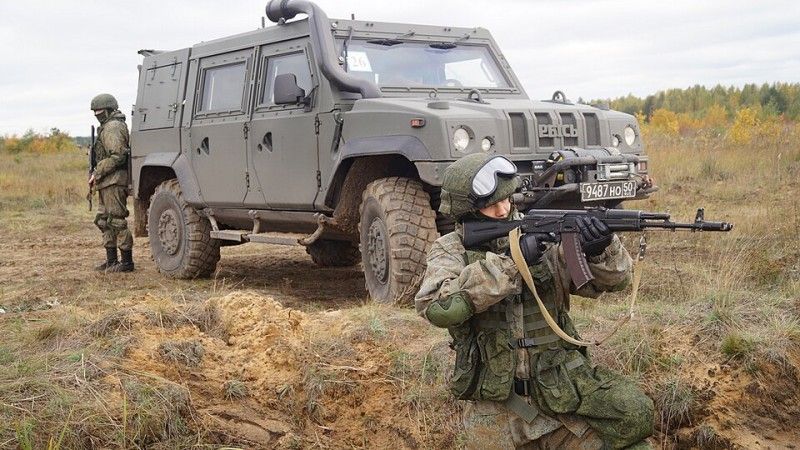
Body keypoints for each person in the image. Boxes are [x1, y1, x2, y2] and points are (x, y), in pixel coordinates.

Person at [415, 153, 653, 449]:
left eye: (506, 199)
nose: (503, 209)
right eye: (490, 204)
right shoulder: (450, 250)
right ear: (466, 209)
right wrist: (513, 262)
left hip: (558, 398)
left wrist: (599, 250)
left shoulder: (540, 232)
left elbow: (615, 282)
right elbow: (439, 308)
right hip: (494, 413)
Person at [89, 93, 134, 272]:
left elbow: (118, 156)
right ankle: (111, 260)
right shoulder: (107, 126)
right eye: (95, 112)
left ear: (108, 110)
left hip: (114, 181)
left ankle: (126, 263)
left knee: (116, 221)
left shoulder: (113, 127)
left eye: (99, 111)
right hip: (106, 180)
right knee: (103, 221)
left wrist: (97, 172)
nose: (96, 115)